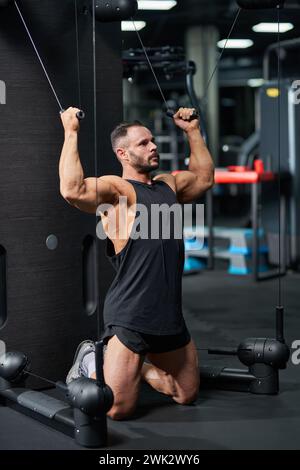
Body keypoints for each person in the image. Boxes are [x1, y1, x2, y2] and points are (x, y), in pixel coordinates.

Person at [59, 107, 214, 420]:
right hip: (132, 313)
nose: (153, 146)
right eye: (144, 143)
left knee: (186, 394)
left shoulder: (168, 184)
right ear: (123, 153)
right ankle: (93, 357)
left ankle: (139, 367)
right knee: (118, 409)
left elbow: (204, 178)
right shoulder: (118, 192)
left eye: (152, 141)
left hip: (169, 313)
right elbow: (72, 190)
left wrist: (192, 131)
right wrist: (71, 131)